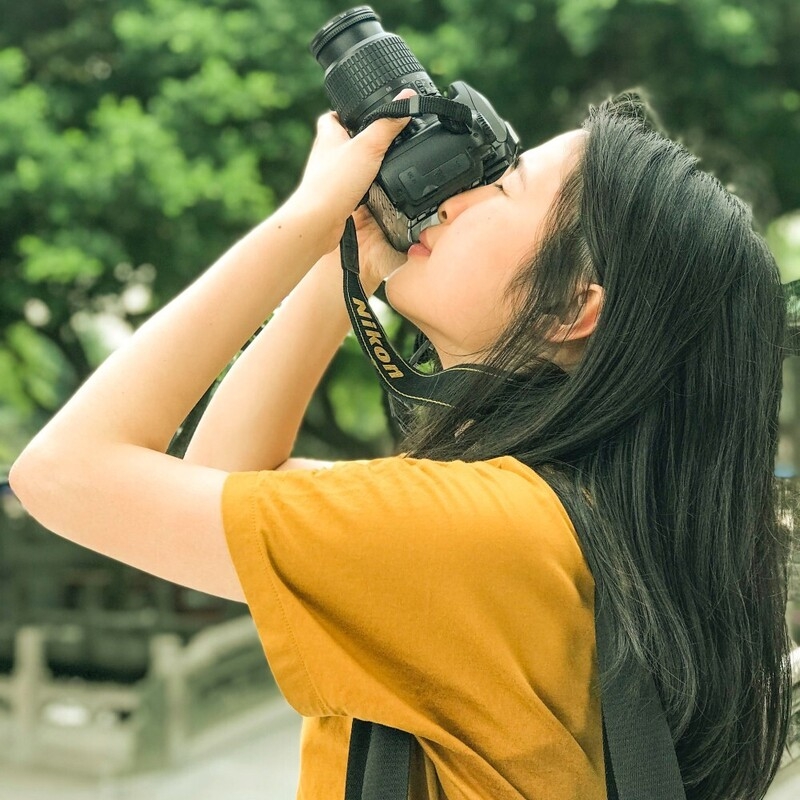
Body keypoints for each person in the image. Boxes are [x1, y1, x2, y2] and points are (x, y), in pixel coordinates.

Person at [9, 90, 792, 800]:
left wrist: (304, 219)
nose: (458, 193)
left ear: (570, 308)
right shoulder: (555, 520)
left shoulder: (476, 530)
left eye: (505, 182)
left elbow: (61, 473)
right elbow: (224, 482)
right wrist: (336, 262)